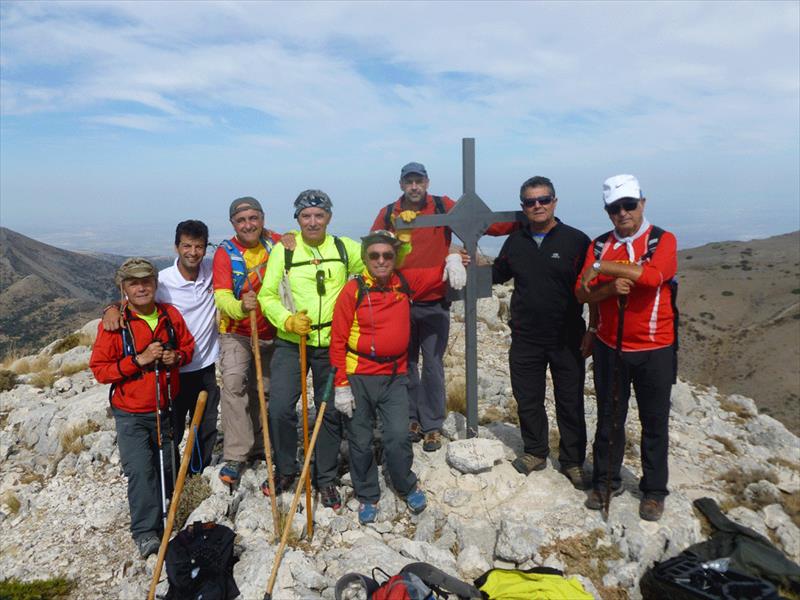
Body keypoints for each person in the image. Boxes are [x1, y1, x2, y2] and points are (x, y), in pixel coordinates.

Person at [372, 162, 517, 452]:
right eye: (409, 181)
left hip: (434, 301)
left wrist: (526, 220)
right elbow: (374, 248)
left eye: (419, 181)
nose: (414, 186)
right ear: (401, 184)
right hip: (399, 302)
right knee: (405, 364)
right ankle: (410, 419)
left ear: (427, 182)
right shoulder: (389, 213)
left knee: (433, 365)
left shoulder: (442, 205)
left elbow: (482, 223)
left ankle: (432, 425)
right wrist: (397, 236)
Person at [576, 174, 677, 521]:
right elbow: (582, 293)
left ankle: (654, 491)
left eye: (629, 205)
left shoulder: (662, 240)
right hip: (610, 346)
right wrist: (605, 292)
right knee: (609, 418)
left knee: (654, 421)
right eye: (614, 208)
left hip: (655, 347)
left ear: (642, 204)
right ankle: (606, 482)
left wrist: (601, 268)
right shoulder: (599, 244)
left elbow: (653, 278)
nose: (622, 213)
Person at [258, 190, 365, 511]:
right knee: (280, 408)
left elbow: (381, 259)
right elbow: (267, 296)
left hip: (332, 343)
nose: (313, 222)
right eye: (306, 216)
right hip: (292, 342)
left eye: (319, 215)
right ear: (298, 219)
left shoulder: (344, 248)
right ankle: (286, 469)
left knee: (328, 411)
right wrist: (287, 320)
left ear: (329, 217)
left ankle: (326, 477)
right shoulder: (284, 250)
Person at [90, 258, 195, 559]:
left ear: (155, 283)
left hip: (166, 407)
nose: (141, 288)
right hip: (131, 413)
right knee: (140, 470)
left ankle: (172, 513)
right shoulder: (115, 325)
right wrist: (138, 361)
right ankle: (146, 532)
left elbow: (188, 347)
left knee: (168, 465)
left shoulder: (169, 315)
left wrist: (177, 357)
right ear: (123, 288)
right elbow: (100, 370)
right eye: (133, 283)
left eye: (146, 281)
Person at [492, 176, 593, 489]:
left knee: (570, 400)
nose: (537, 206)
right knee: (528, 398)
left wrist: (593, 329)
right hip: (526, 337)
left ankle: (572, 461)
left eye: (543, 200)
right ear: (523, 206)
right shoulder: (516, 241)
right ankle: (535, 451)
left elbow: (593, 287)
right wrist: (467, 260)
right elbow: (497, 273)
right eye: (530, 202)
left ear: (554, 202)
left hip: (567, 337)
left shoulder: (577, 241)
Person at [103, 220, 220, 472]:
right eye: (186, 246)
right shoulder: (164, 281)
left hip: (205, 365)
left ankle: (196, 473)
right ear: (176, 247)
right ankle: (171, 477)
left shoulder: (212, 271)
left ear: (205, 247)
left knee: (206, 426)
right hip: (172, 371)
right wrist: (110, 308)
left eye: (199, 246)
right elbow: (132, 300)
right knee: (172, 430)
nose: (193, 252)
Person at [330, 230, 427, 524]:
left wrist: (454, 259)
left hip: (394, 376)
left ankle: (405, 484)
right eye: (374, 255)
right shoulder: (353, 290)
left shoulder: (403, 283)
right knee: (360, 440)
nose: (381, 260)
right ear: (365, 258)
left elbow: (435, 277)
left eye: (387, 255)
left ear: (395, 257)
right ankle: (367, 494)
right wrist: (341, 385)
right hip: (358, 375)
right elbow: (338, 340)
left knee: (398, 435)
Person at [213, 197, 283, 486]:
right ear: (233, 224)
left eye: (253, 218)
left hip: (270, 330)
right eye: (241, 220)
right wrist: (241, 307)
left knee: (263, 389)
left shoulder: (276, 242)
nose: (248, 225)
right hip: (236, 330)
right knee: (233, 384)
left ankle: (259, 444)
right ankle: (236, 454)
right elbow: (221, 296)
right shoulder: (225, 254)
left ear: (263, 219)